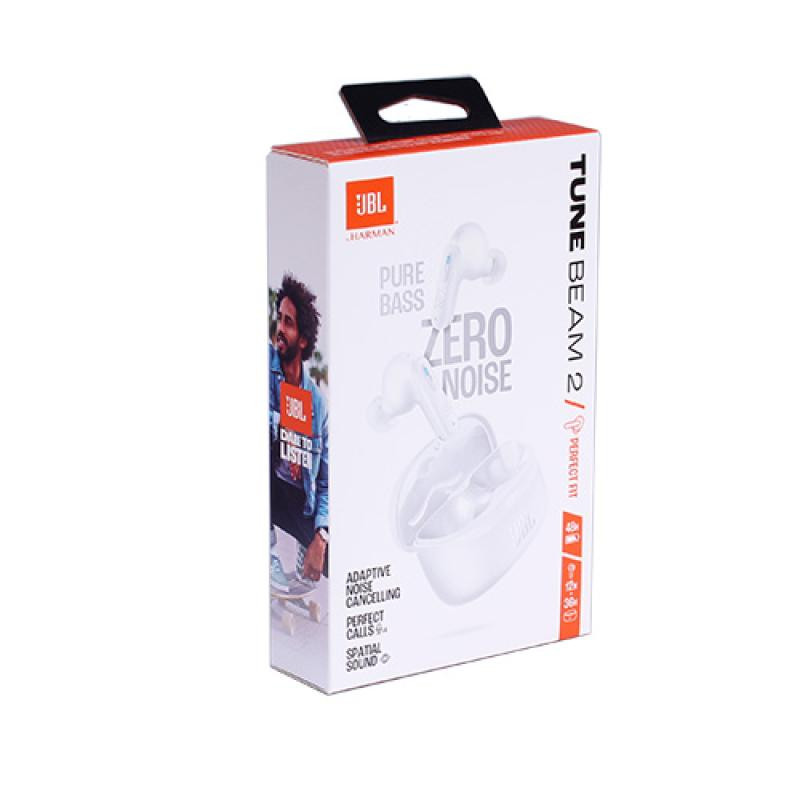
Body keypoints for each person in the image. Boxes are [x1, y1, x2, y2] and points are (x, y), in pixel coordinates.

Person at [269, 274, 329, 590]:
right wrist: (282, 421)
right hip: (268, 485)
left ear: (302, 340)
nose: (279, 328)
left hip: (298, 499)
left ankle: (309, 550)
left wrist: (321, 536)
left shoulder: (317, 404)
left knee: (336, 557)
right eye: (279, 318)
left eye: (288, 322)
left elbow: (325, 481)